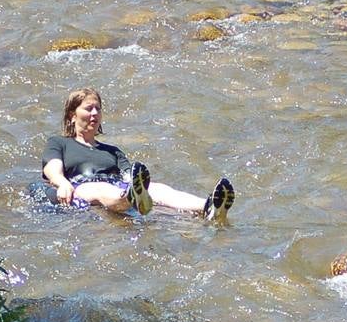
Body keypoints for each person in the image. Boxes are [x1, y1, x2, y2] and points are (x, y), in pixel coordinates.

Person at [40, 88, 234, 223]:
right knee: (98, 187)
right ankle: (128, 199)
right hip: (80, 186)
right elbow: (52, 168)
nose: (95, 113)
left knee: (157, 188)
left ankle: (209, 206)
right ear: (72, 115)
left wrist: (140, 185)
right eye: (88, 108)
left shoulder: (112, 151)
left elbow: (128, 175)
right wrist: (62, 183)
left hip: (117, 184)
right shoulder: (60, 143)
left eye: (98, 108)